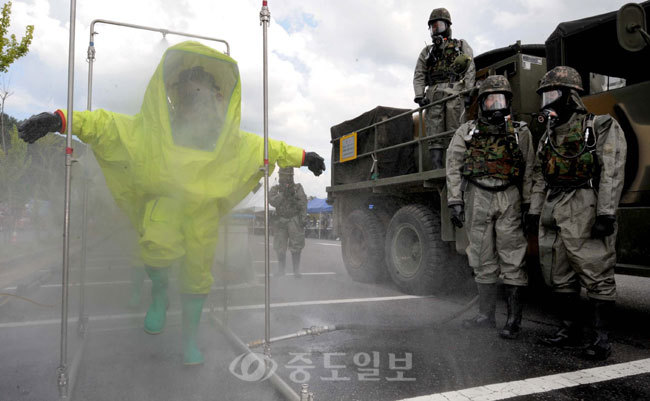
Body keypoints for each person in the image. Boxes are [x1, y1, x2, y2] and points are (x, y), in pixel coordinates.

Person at [18, 41, 325, 365]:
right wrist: (58, 120)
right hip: (164, 202)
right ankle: (160, 294)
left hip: (203, 212)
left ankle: (189, 339)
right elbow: (105, 125)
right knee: (156, 246)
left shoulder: (230, 141)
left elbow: (269, 146)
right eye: (192, 91)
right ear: (176, 94)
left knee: (197, 273)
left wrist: (304, 156)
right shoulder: (151, 129)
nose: (200, 98)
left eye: (206, 91)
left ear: (218, 96)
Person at [528, 66, 626, 360]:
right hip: (553, 204)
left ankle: (600, 339)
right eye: (544, 95)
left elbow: (612, 169)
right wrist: (534, 210)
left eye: (553, 93)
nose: (548, 101)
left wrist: (606, 213)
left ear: (571, 96)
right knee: (557, 272)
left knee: (595, 269)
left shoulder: (599, 125)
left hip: (585, 201)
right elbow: (539, 175)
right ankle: (569, 331)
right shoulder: (547, 136)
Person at [446, 75, 535, 339]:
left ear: (508, 102)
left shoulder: (521, 131)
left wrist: (530, 204)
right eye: (490, 99)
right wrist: (455, 201)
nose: (496, 105)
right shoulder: (467, 131)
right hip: (477, 195)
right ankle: (485, 316)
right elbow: (454, 167)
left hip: (509, 195)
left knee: (512, 257)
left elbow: (530, 169)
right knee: (481, 256)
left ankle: (513, 320)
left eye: (501, 99)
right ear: (481, 103)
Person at [413, 7, 475, 170]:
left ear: (447, 26)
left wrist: (468, 91)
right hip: (433, 94)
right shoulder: (427, 52)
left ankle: (455, 167)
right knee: (434, 133)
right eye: (432, 27)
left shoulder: (460, 46)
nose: (435, 30)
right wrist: (419, 95)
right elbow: (419, 74)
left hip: (454, 91)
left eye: (438, 26)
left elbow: (469, 68)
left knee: (455, 130)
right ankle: (437, 169)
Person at [269, 167, 307, 277]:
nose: (284, 177)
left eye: (287, 175)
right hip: (280, 219)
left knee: (296, 245)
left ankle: (296, 271)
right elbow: (272, 201)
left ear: (291, 176)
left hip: (294, 219)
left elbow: (303, 203)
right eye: (282, 175)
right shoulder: (275, 189)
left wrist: (303, 218)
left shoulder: (297, 188)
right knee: (280, 246)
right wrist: (282, 194)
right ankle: (281, 271)